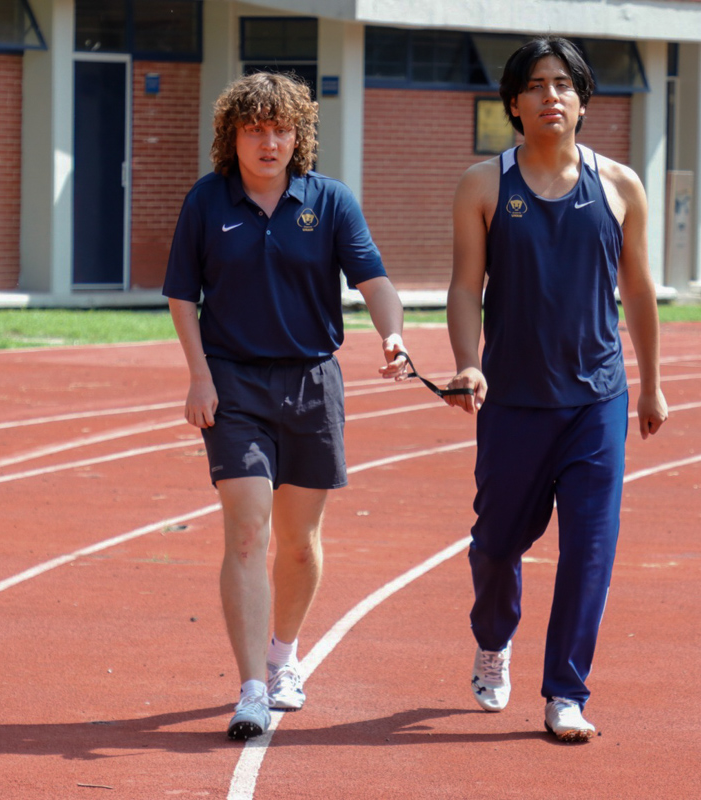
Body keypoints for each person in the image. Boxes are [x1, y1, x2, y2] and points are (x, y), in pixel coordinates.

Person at [163, 72, 408, 741]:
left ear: (298, 136)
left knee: (298, 545)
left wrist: (392, 335)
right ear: (232, 136)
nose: (268, 142)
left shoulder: (329, 201)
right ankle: (249, 689)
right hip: (234, 385)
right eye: (254, 130)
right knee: (247, 531)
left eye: (280, 129)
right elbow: (182, 296)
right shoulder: (206, 200)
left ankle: (282, 656)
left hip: (311, 384)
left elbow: (374, 281)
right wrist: (199, 376)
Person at [444, 37, 668, 742]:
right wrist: (467, 362)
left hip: (597, 399)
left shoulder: (620, 185)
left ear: (582, 101)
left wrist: (651, 385)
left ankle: (565, 693)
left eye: (565, 84)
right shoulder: (483, 185)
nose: (552, 96)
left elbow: (638, 290)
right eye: (537, 85)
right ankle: (492, 638)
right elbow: (464, 287)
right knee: (495, 547)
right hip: (512, 400)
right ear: (513, 104)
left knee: (589, 552)